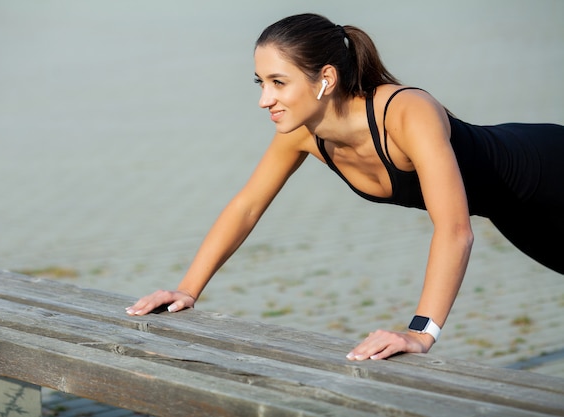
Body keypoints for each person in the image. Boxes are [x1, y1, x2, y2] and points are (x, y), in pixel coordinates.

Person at [126, 13, 564, 361]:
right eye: (261, 83)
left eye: (279, 82)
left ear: (326, 79)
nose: (264, 99)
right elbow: (247, 206)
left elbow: (453, 230)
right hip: (513, 211)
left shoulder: (407, 112)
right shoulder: (301, 133)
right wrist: (187, 289)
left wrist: (420, 333)